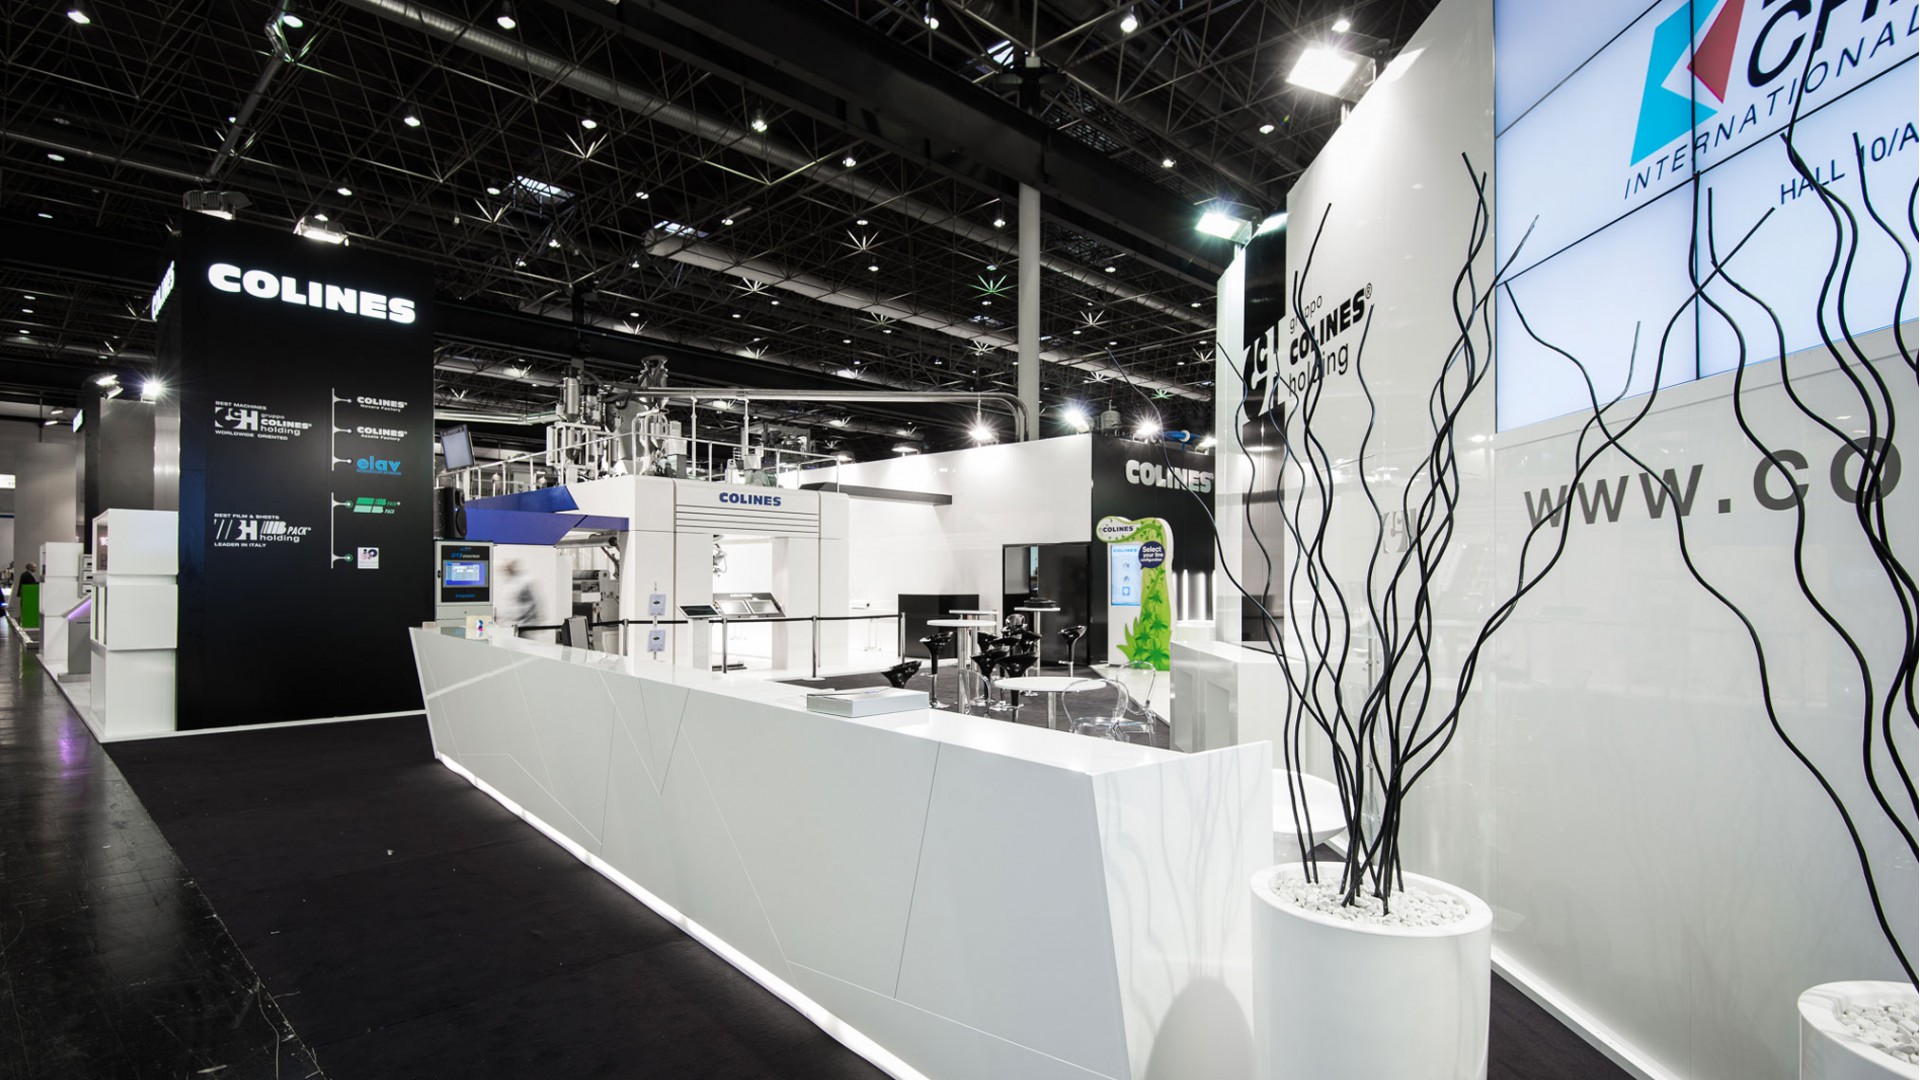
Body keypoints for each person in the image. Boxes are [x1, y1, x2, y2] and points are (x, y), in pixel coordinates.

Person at [497, 560, 538, 626]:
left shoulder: (525, 582)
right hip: (509, 623)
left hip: (523, 623)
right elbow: (505, 604)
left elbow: (533, 603)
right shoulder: (506, 584)